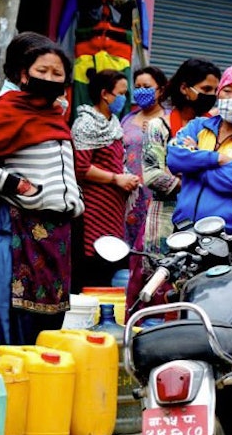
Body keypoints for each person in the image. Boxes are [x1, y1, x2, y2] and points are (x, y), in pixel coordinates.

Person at [0, 33, 82, 347]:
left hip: (57, 234)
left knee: (48, 323)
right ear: (23, 74)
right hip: (20, 229)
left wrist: (73, 197)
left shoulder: (56, 117)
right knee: (15, 318)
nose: (50, 78)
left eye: (57, 73)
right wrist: (21, 187)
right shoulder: (7, 111)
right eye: (42, 71)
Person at [135, 58, 221, 305]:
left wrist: (192, 174)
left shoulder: (214, 129)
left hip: (205, 223)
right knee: (159, 289)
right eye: (206, 90)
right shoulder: (158, 126)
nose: (212, 96)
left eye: (215, 91)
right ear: (185, 88)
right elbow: (152, 175)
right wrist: (202, 182)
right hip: (164, 220)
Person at [72, 68, 139, 291]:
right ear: (105, 94)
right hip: (93, 209)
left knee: (112, 262)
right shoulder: (86, 124)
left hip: (113, 210)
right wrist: (116, 179)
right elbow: (81, 168)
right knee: (94, 264)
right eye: (121, 93)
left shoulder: (113, 124)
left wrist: (126, 177)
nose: (124, 99)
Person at [167, 64, 232, 233]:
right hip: (183, 229)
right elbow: (175, 158)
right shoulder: (198, 125)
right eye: (227, 91)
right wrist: (218, 159)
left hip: (225, 235)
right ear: (219, 92)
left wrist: (194, 164)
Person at [121, 65, 170, 307]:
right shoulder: (128, 118)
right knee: (129, 247)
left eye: (147, 87)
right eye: (137, 87)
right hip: (128, 194)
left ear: (160, 90)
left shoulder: (168, 120)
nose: (141, 92)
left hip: (157, 194)